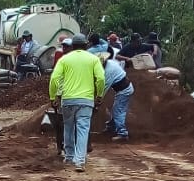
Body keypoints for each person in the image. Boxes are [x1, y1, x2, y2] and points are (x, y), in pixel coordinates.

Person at [48, 33, 104, 173]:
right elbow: (101, 78)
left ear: (73, 46)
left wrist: (53, 96)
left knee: (68, 127)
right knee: (83, 129)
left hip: (68, 100)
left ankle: (69, 157)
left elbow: (54, 79)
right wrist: (99, 95)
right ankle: (79, 161)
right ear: (86, 45)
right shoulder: (93, 59)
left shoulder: (64, 59)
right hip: (86, 100)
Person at [102, 55, 134, 141]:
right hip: (124, 88)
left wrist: (96, 102)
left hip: (124, 90)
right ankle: (111, 127)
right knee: (116, 109)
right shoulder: (111, 63)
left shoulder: (108, 71)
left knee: (118, 110)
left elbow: (103, 89)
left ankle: (122, 134)